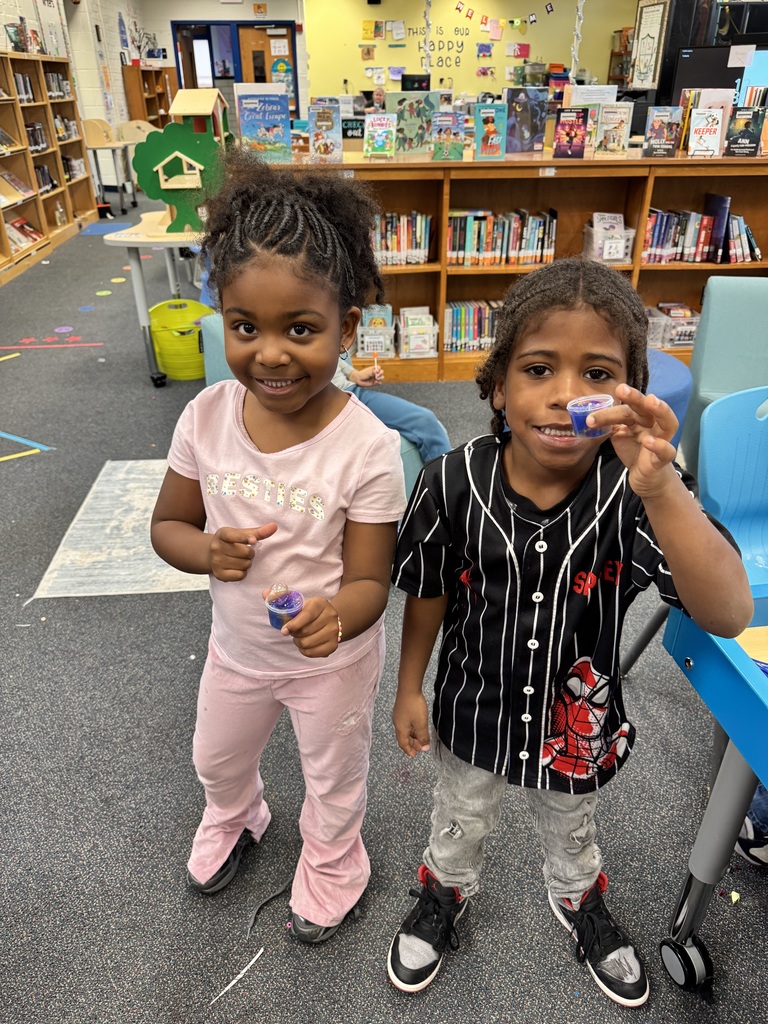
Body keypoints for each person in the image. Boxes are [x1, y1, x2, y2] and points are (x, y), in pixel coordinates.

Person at [385, 257, 753, 1005]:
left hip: (573, 725)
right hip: (472, 709)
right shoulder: (450, 482)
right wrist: (408, 686)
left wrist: (661, 487)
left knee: (572, 824)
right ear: (497, 384)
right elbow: (423, 591)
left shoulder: (633, 493)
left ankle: (577, 897)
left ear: (630, 394)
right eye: (538, 368)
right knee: (460, 816)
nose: (565, 396)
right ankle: (446, 892)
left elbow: (728, 612)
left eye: (597, 374)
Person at [151, 150, 407, 944]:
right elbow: (167, 528)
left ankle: (336, 863)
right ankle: (240, 813)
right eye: (244, 327)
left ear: (346, 327)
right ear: (219, 318)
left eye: (301, 329)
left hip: (330, 661)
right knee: (215, 759)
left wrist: (340, 616)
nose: (270, 353)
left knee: (335, 781)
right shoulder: (204, 418)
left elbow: (372, 576)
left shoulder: (367, 448)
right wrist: (206, 553)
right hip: (235, 650)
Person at [333, 355, 450, 464]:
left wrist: (353, 374)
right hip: (335, 400)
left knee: (425, 421)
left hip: (352, 391)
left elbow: (332, 354)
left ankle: (450, 480)